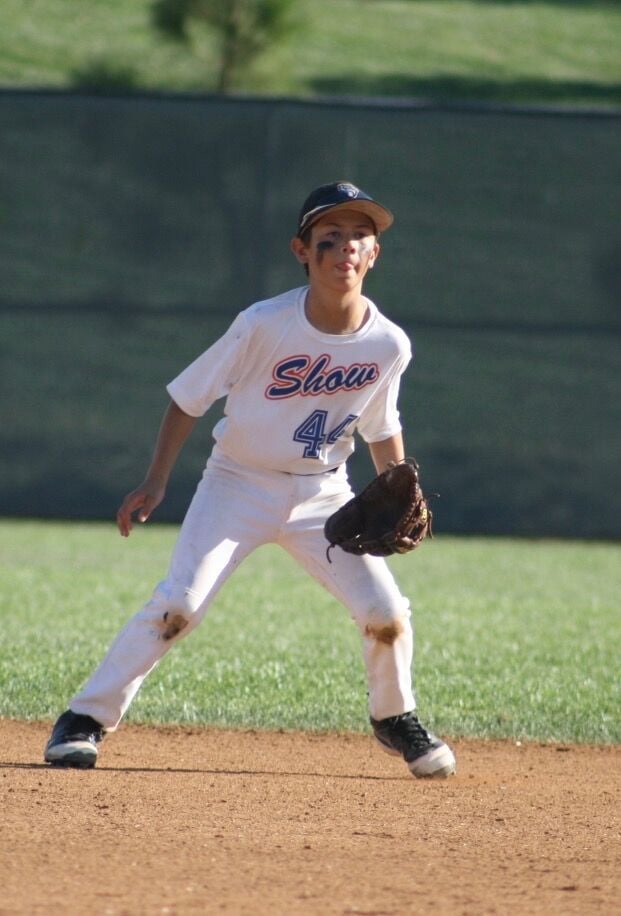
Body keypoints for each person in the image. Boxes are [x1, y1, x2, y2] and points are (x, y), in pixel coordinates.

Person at [44, 181, 456, 779]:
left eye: (359, 237)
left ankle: (395, 718)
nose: (345, 248)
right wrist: (156, 481)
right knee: (179, 606)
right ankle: (83, 720)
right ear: (301, 251)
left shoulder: (389, 343)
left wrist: (399, 486)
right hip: (237, 484)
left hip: (323, 495)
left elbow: (380, 421)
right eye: (329, 237)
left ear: (375, 255)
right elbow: (189, 398)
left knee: (386, 611)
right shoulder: (264, 324)